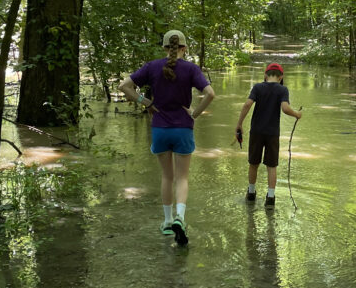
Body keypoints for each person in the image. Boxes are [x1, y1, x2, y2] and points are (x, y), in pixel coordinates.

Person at [119, 30, 214, 245]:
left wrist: (147, 103)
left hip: (160, 128)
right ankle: (180, 217)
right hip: (183, 128)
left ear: (164, 47)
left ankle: (167, 222)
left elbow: (124, 86)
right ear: (184, 48)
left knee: (167, 177)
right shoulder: (191, 69)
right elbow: (210, 94)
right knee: (182, 178)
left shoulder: (152, 67)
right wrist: (194, 113)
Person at [235, 62, 302, 208]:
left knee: (253, 163)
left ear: (265, 75)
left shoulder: (258, 87)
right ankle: (270, 198)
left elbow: (247, 105)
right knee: (272, 166)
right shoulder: (283, 89)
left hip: (256, 131)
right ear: (281, 77)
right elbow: (285, 108)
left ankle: (251, 194)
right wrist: (297, 114)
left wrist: (239, 124)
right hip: (272, 133)